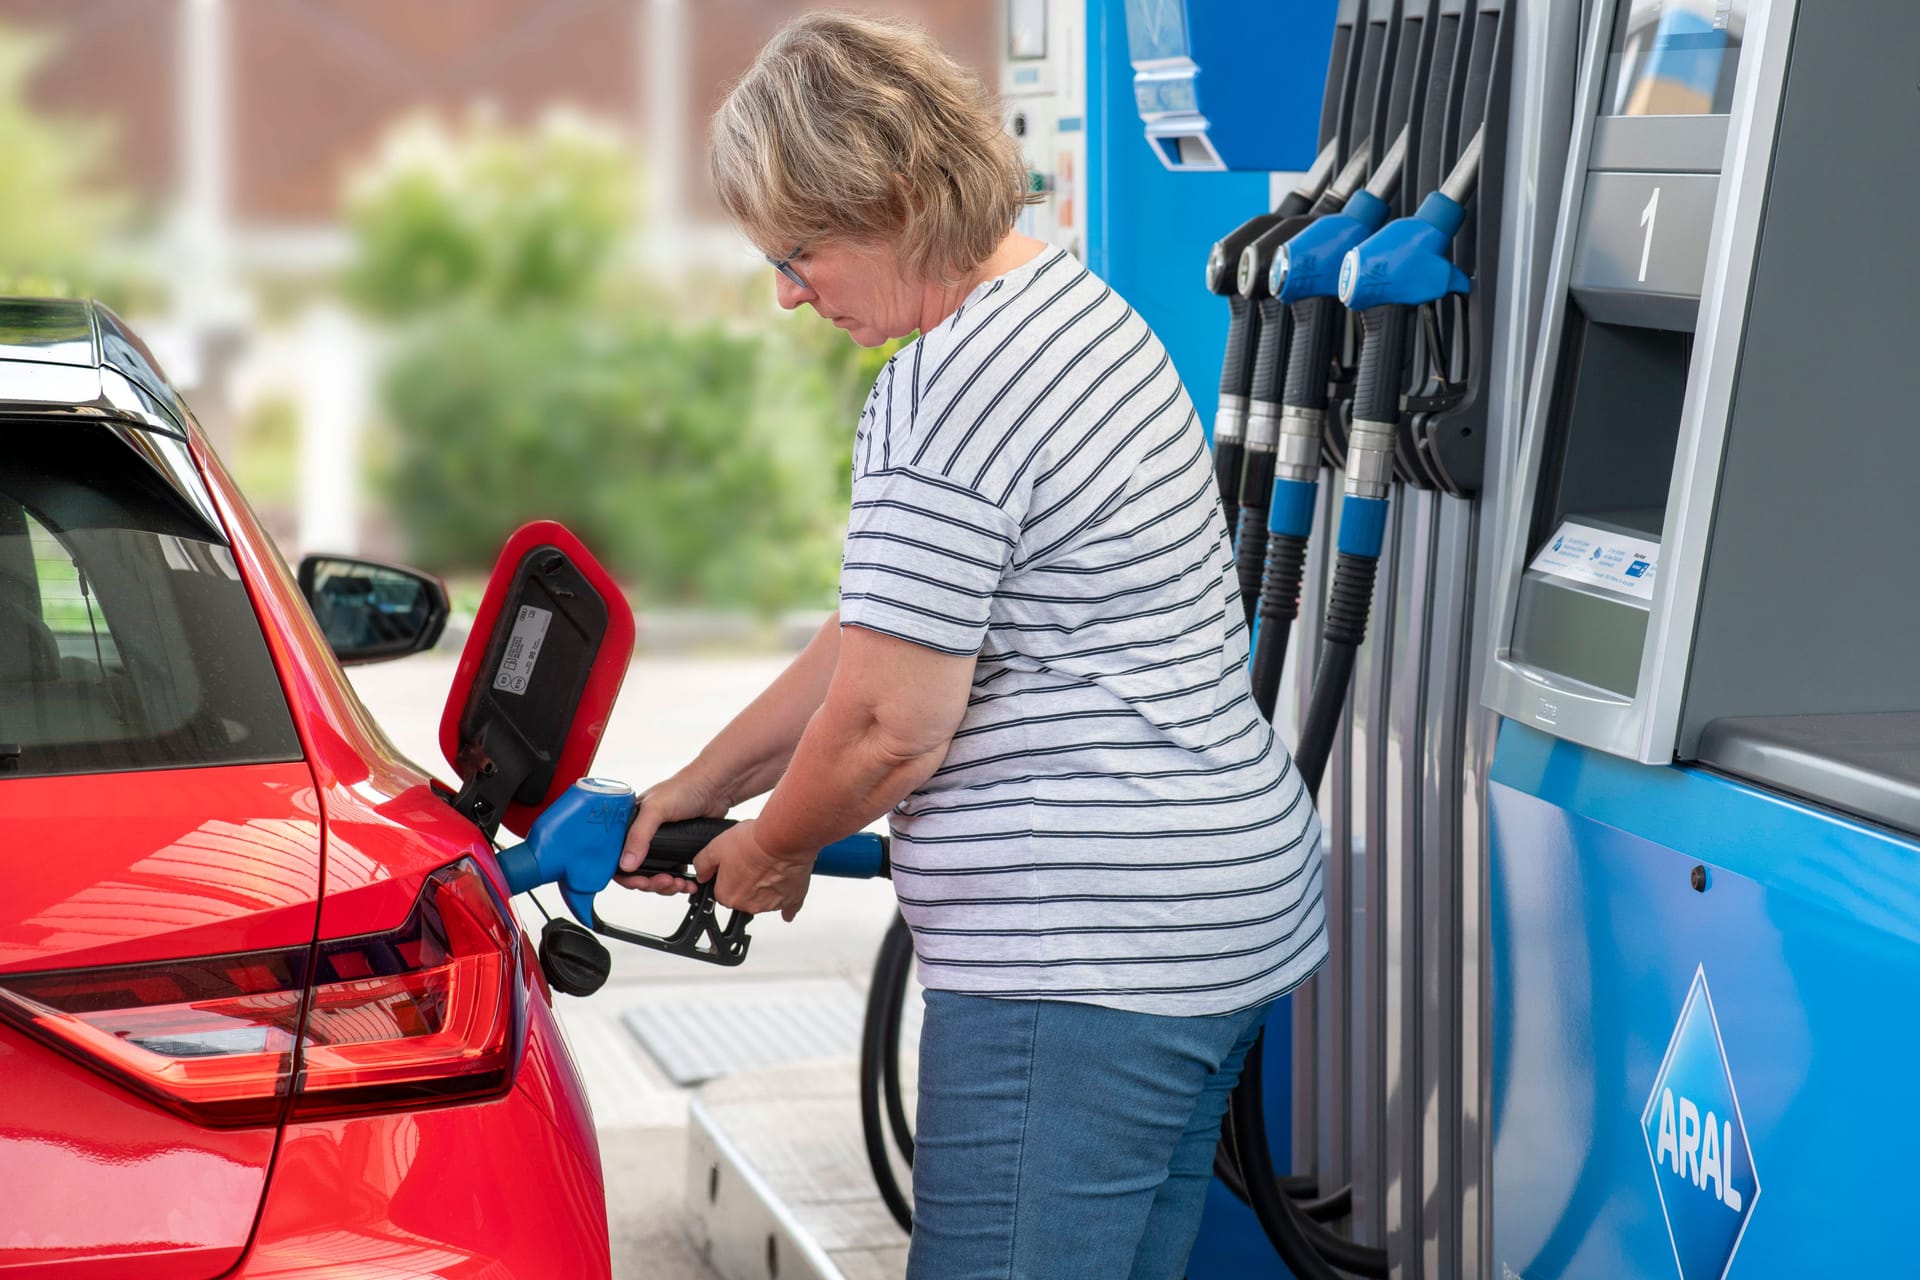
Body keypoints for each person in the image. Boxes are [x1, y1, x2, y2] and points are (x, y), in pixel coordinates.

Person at [618, 13, 1327, 1278]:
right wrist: (706, 788)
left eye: (800, 252)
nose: (789, 294)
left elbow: (891, 725)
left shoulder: (946, 389)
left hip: (1084, 968)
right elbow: (880, 629)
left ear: (889, 197)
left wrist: (773, 848)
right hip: (1211, 924)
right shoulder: (1071, 309)